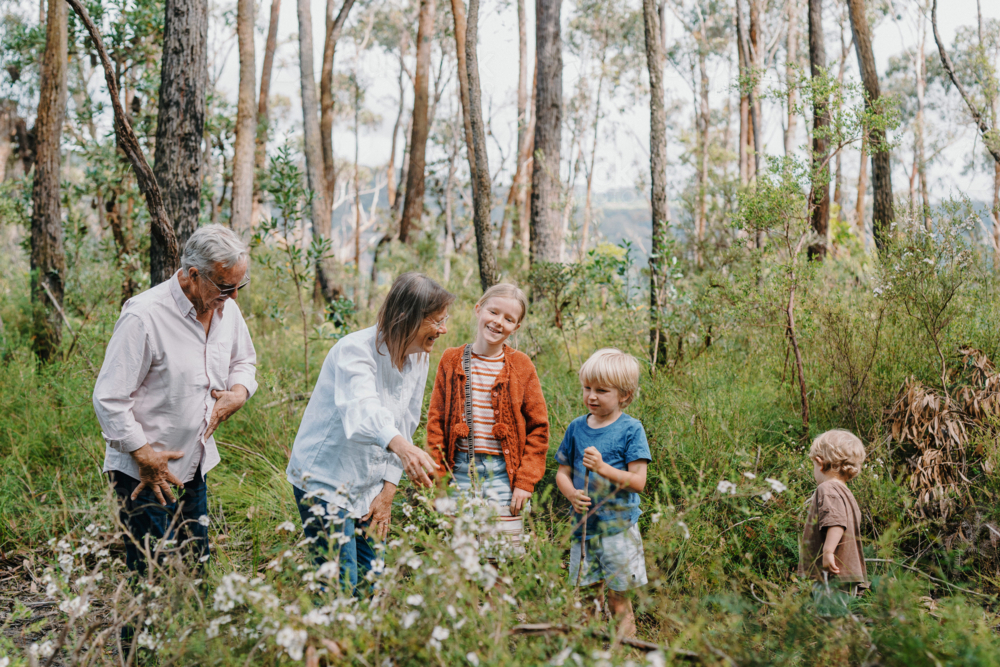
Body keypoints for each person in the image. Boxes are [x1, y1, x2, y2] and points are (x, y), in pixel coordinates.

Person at [93, 224, 257, 575]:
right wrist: (144, 455)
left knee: (196, 573)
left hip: (194, 464)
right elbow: (108, 398)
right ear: (194, 275)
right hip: (145, 475)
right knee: (153, 577)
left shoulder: (227, 310)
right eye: (226, 287)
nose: (234, 297)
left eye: (239, 286)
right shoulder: (144, 316)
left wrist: (239, 392)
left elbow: (243, 361)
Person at [286, 272, 451, 595]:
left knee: (371, 578)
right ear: (406, 318)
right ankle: (323, 642)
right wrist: (404, 449)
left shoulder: (419, 357)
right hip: (325, 481)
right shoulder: (354, 352)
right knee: (340, 582)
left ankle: (355, 645)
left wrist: (388, 490)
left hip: (370, 483)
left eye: (445, 320)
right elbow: (362, 411)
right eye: (436, 321)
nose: (443, 330)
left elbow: (405, 422)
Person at [426, 283, 549, 548]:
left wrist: (525, 482)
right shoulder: (451, 359)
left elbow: (539, 428)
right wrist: (438, 481)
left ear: (516, 328)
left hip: (503, 475)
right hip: (459, 471)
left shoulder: (521, 366)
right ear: (478, 309)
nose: (498, 322)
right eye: (493, 312)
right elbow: (435, 422)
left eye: (508, 319)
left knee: (499, 556)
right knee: (459, 555)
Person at [555, 348, 651, 639]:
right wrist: (571, 493)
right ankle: (587, 653)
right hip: (584, 531)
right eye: (587, 388)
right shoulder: (576, 427)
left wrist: (602, 467)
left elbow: (638, 482)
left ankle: (628, 654)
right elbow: (562, 473)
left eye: (601, 390)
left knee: (619, 600)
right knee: (586, 599)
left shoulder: (631, 429)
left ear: (625, 395)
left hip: (618, 530)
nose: (591, 396)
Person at [799, 429, 868, 595]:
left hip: (832, 575)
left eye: (813, 466)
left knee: (828, 618)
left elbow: (836, 522)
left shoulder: (827, 488)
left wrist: (828, 552)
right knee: (839, 619)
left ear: (820, 463)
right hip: (845, 574)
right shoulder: (847, 493)